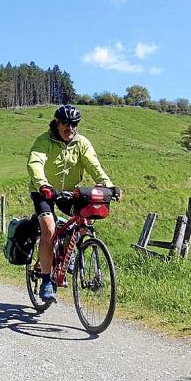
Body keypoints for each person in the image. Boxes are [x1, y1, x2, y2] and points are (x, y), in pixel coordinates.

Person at [27, 104, 121, 303]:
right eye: (65, 123)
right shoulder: (45, 140)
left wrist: (110, 187)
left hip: (68, 192)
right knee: (49, 230)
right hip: (43, 192)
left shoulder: (82, 143)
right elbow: (35, 162)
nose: (69, 128)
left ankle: (65, 257)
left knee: (84, 222)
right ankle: (46, 281)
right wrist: (43, 184)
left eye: (74, 124)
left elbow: (95, 166)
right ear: (57, 123)